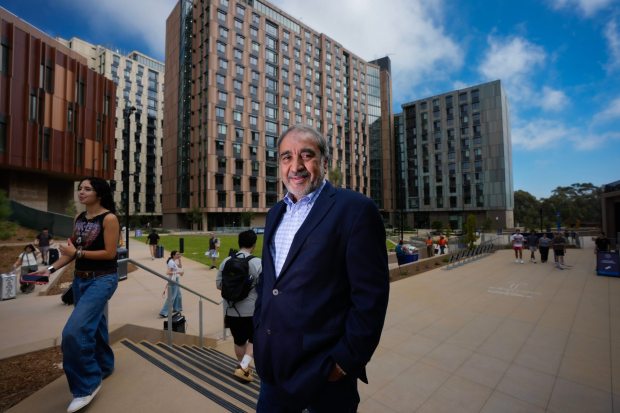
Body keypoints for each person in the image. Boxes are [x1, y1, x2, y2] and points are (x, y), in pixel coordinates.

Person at [253, 125, 390, 412]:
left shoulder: (355, 209)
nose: (296, 166)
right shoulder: (275, 213)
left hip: (322, 378)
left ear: (324, 162)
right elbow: (270, 281)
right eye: (287, 157)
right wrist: (258, 331)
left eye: (307, 155)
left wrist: (344, 361)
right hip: (272, 374)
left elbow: (370, 297)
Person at [29, 177, 120, 413]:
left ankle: (87, 385)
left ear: (99, 193)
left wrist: (76, 251)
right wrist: (48, 270)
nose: (81, 192)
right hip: (81, 280)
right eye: (80, 188)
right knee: (96, 325)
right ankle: (106, 365)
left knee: (73, 332)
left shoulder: (109, 218)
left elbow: (110, 254)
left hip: (103, 280)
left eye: (87, 189)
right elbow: (70, 254)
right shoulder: (79, 219)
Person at [216, 230, 262, 383]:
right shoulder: (257, 263)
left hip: (232, 310)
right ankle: (243, 367)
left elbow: (219, 285)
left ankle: (243, 368)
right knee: (255, 339)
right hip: (252, 311)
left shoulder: (226, 261)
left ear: (239, 242)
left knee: (239, 341)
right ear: (254, 244)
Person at [159, 251, 184, 318]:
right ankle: (164, 312)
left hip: (176, 280)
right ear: (173, 255)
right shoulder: (171, 262)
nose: (178, 255)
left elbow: (180, 266)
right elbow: (168, 272)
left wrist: (179, 260)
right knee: (172, 297)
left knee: (178, 295)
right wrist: (179, 273)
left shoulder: (174, 261)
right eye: (177, 254)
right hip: (173, 281)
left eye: (179, 254)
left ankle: (177, 308)